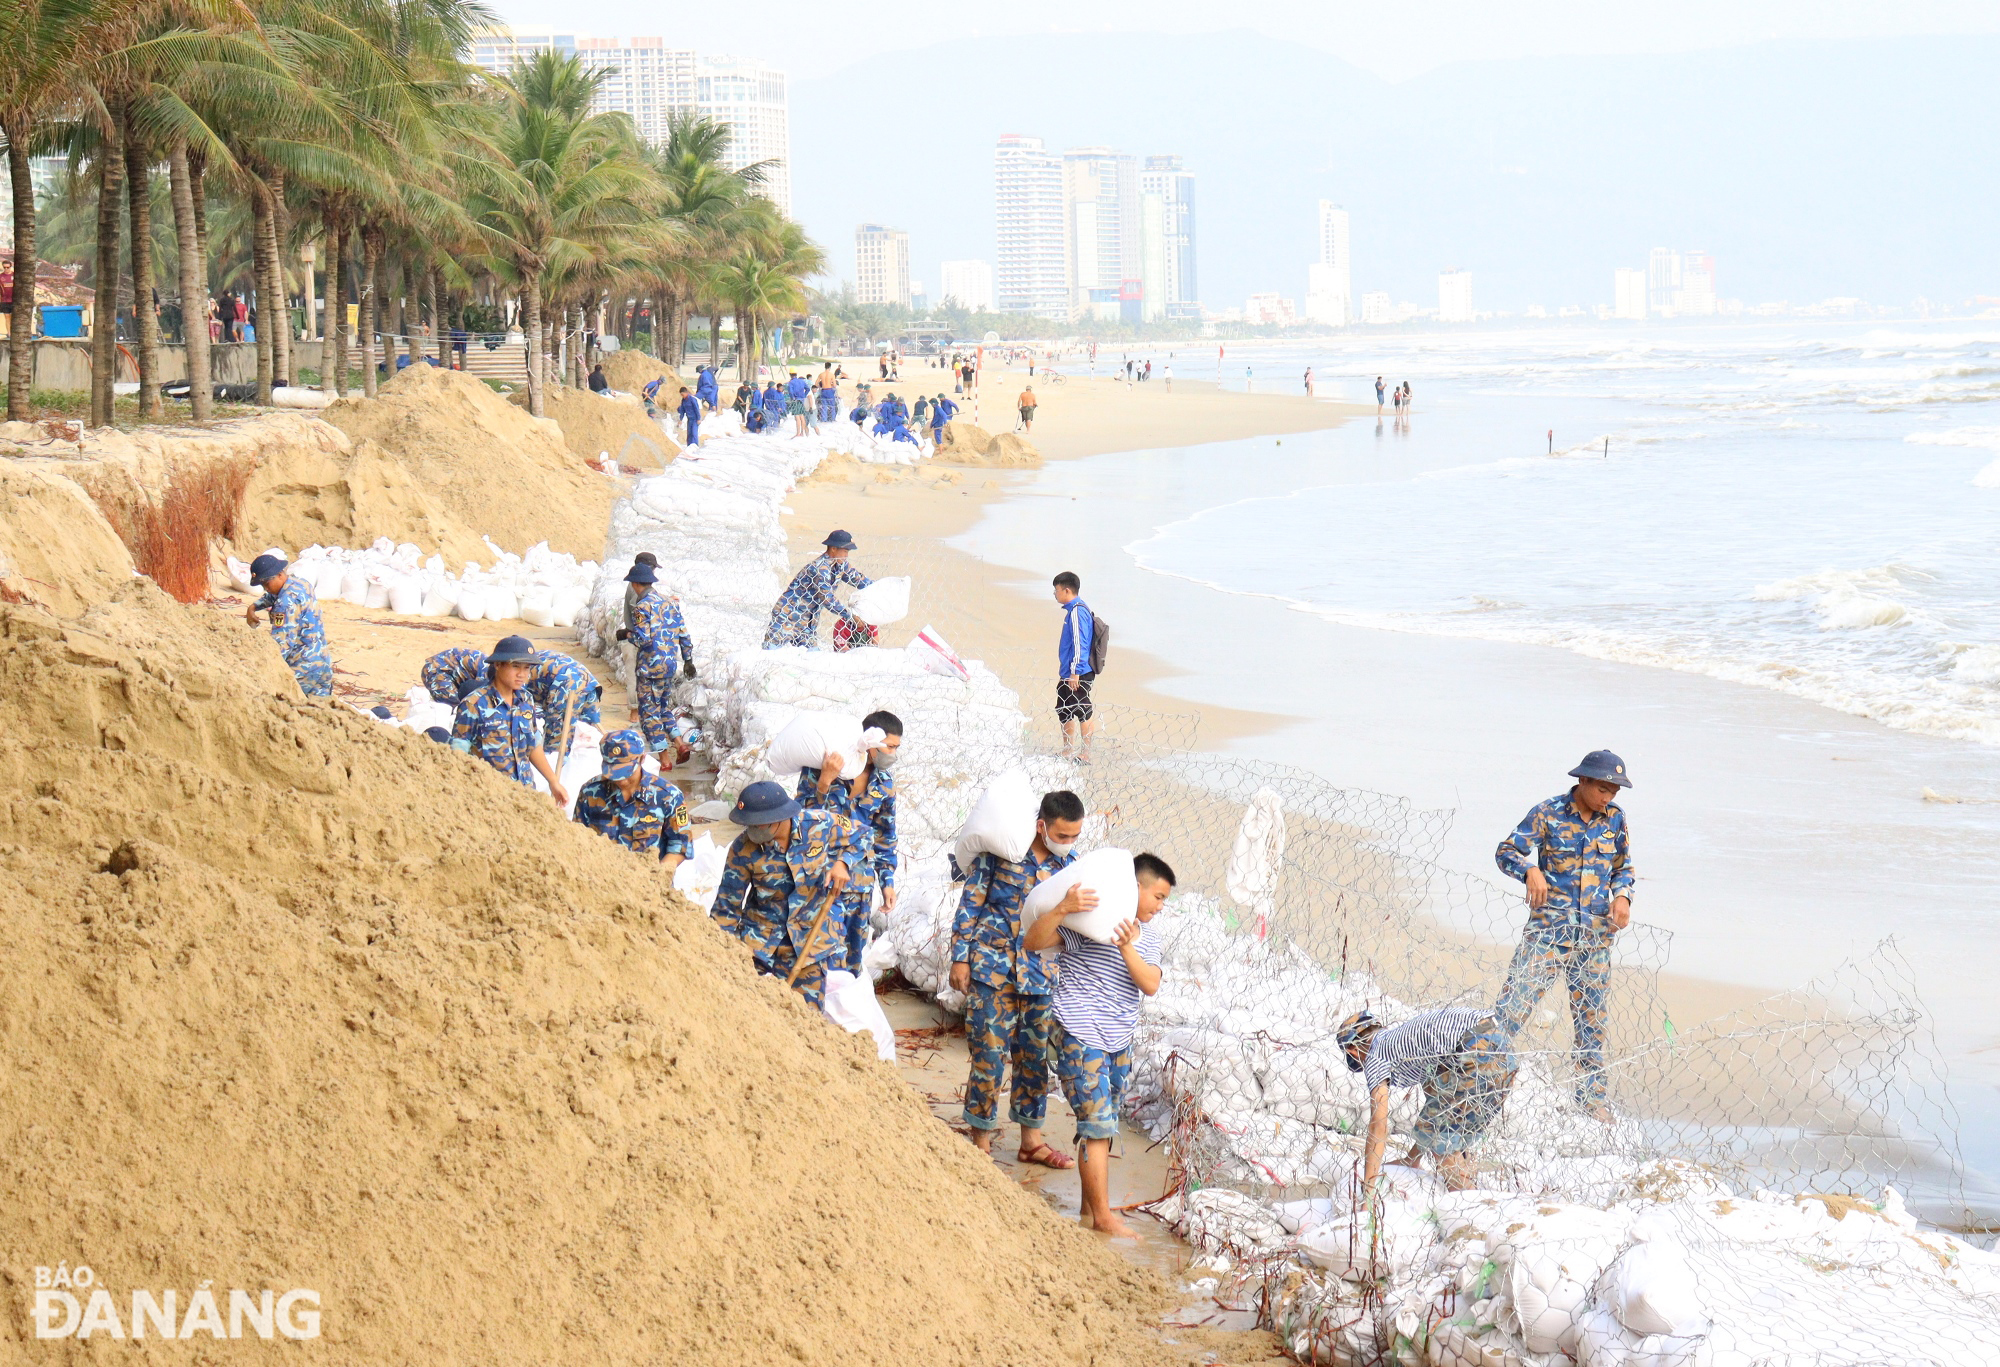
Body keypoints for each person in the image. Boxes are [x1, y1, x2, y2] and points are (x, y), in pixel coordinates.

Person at [1024, 852, 1175, 1236]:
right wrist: (1062, 908)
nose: (1160, 906)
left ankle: (1089, 1214)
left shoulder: (1148, 938)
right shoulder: (1090, 923)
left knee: (1102, 1127)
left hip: (1118, 1042)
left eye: (1165, 900)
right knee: (1096, 1124)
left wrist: (1126, 945)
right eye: (1157, 896)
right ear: (1134, 887)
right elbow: (1032, 941)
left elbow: (1151, 984)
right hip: (1079, 1032)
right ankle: (1104, 1218)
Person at [1491, 750, 1635, 1122]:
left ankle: (1591, 1100)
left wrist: (1623, 897)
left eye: (1614, 792)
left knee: (1591, 1023)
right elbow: (1506, 851)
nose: (1608, 797)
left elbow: (1623, 868)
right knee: (1511, 1010)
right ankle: (1480, 1079)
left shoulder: (1614, 820)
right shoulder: (1548, 812)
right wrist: (1528, 871)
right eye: (1603, 788)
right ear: (1583, 781)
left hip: (1594, 938)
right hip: (1548, 933)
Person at [950, 789, 1086, 1169]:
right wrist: (960, 959)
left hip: (1040, 975)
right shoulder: (1003, 852)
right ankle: (980, 1138)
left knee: (1033, 1060)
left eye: (1075, 837)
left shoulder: (1070, 870)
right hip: (993, 969)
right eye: (1062, 836)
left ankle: (1031, 1141)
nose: (1068, 843)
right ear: (1041, 826)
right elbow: (971, 904)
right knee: (988, 1056)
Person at [711, 780, 871, 1007]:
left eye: (758, 825)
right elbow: (726, 907)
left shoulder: (819, 825)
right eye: (749, 825)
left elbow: (863, 835)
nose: (752, 831)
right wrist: (717, 953)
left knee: (804, 1017)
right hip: (760, 942)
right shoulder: (742, 849)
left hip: (811, 939)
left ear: (778, 819)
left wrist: (843, 864)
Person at [1337, 1006, 1518, 1193]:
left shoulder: (1375, 1056)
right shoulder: (1409, 1043)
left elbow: (1378, 1127)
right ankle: (1471, 1195)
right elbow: (1434, 1113)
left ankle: (1470, 1211)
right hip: (1503, 1045)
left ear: (1352, 1051)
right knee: (1458, 1133)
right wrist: (1411, 1159)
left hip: (1477, 1050)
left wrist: (1368, 1189)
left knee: (1444, 1145)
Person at [794, 711, 902, 973]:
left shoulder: (884, 785)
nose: (893, 754)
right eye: (889, 746)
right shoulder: (825, 769)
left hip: (860, 886)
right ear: (871, 741)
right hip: (823, 878)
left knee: (851, 965)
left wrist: (887, 882)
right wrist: (824, 783)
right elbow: (801, 819)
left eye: (897, 748)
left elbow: (885, 836)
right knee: (816, 958)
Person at [450, 635, 567, 806]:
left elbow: (533, 744)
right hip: (490, 799)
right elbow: (457, 757)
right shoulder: (473, 705)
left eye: (527, 668)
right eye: (515, 667)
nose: (522, 674)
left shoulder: (526, 700)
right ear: (497, 665)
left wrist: (553, 782)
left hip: (525, 795)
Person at [572, 728, 693, 876]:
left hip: (649, 883)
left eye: (626, 771)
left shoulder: (668, 796)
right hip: (601, 884)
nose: (620, 779)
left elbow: (680, 845)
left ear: (642, 759)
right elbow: (577, 840)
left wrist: (657, 876)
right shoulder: (590, 793)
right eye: (614, 772)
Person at [614, 560, 694, 758]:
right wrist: (688, 659)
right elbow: (683, 634)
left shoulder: (642, 607)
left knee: (649, 712)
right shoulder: (670, 603)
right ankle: (679, 742)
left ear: (635, 584)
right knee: (664, 708)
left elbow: (643, 638)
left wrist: (626, 634)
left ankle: (664, 758)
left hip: (650, 668)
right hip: (669, 665)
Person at [244, 554, 333, 697]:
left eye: (267, 584)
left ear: (279, 575)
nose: (266, 589)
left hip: (303, 669)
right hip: (322, 662)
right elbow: (273, 595)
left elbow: (281, 644)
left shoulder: (284, 605)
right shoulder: (301, 584)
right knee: (322, 712)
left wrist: (261, 668)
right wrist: (253, 607)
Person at [764, 530, 871, 649]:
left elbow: (860, 581)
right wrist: (850, 616)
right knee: (770, 652)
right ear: (833, 549)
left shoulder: (841, 565)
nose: (846, 555)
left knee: (812, 656)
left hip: (807, 622)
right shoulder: (820, 568)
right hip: (788, 615)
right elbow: (827, 599)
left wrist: (886, 588)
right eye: (845, 551)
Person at [524, 648, 601, 762]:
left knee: (558, 739)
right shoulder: (533, 657)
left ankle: (557, 770)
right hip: (589, 682)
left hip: (565, 686)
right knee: (587, 732)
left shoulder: (516, 671)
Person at [1052, 571, 1096, 762]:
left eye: (1057, 590)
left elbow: (1081, 644)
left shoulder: (1078, 611)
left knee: (1082, 709)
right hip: (1068, 672)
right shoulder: (1073, 610)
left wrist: (1075, 673)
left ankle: (1085, 753)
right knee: (1064, 709)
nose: (1055, 594)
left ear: (1067, 590)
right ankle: (1067, 749)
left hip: (1078, 673)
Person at [420, 645, 488, 708]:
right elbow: (477, 694)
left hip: (451, 674)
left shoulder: (491, 667)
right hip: (437, 669)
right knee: (454, 706)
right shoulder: (488, 671)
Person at [785, 369, 811, 435]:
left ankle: (798, 433)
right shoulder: (801, 381)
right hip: (802, 400)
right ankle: (802, 432)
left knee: (797, 417)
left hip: (795, 400)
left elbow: (791, 392)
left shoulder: (791, 382)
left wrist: (792, 398)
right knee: (802, 416)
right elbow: (808, 389)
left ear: (790, 375)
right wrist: (804, 395)